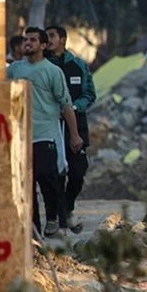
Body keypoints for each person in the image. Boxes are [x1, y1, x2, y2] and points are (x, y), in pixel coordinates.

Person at [7, 27, 84, 237]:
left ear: (42, 45)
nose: (28, 43)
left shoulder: (52, 71)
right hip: (21, 137)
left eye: (32, 40)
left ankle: (52, 217)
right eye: (25, 40)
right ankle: (34, 234)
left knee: (46, 176)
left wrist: (75, 134)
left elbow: (66, 104)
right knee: (26, 187)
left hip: (45, 134)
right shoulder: (13, 70)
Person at [46, 26, 96, 224]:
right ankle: (56, 216)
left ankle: (67, 207)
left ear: (63, 39)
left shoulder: (78, 66)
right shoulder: (45, 66)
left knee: (78, 172)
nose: (48, 40)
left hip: (76, 126)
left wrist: (74, 107)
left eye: (52, 36)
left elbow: (90, 94)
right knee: (53, 174)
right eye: (46, 36)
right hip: (51, 126)